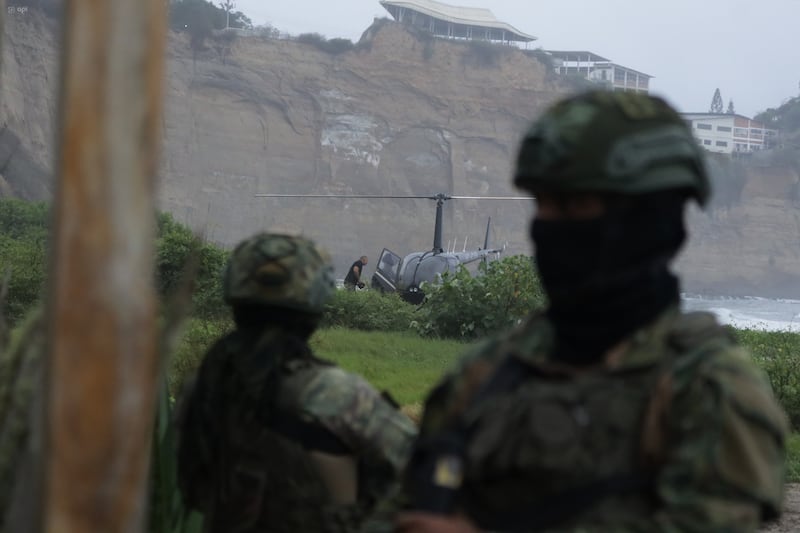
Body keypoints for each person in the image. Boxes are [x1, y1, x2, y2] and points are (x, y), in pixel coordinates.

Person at [385, 91, 789, 532]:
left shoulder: (709, 389)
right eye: (545, 204)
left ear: (651, 222)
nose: (552, 226)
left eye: (576, 205)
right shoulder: (488, 373)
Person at [175, 233, 417, 533]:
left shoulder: (202, 386)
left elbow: (191, 485)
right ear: (313, 308)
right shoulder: (337, 394)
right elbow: (419, 468)